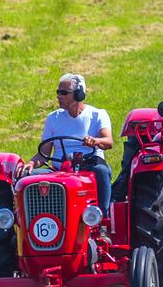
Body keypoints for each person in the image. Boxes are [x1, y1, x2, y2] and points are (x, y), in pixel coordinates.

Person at [33, 74, 114, 219]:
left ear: (79, 94)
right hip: (59, 169)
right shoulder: (53, 118)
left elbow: (108, 142)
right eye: (58, 92)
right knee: (28, 178)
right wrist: (31, 164)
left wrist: (94, 141)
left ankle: (101, 218)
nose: (59, 96)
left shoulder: (97, 115)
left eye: (63, 93)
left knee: (101, 171)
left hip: (88, 166)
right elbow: (43, 154)